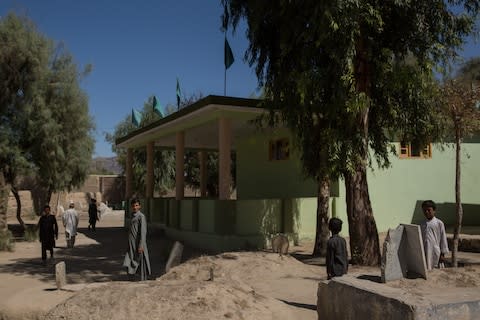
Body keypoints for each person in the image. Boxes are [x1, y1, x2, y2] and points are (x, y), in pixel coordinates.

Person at [123, 198, 151, 281]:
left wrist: (141, 245)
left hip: (138, 243)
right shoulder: (132, 215)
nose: (135, 207)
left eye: (137, 205)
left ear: (140, 206)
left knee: (140, 260)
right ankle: (131, 277)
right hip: (131, 243)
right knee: (129, 258)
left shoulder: (141, 216)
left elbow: (143, 232)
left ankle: (142, 278)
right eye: (133, 206)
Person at [420, 200, 449, 270]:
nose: (426, 212)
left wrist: (442, 253)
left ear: (434, 210)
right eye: (425, 210)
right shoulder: (422, 224)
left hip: (435, 251)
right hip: (425, 250)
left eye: (429, 210)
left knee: (436, 269)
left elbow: (443, 239)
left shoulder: (439, 223)